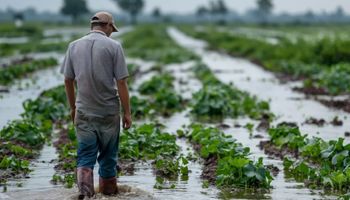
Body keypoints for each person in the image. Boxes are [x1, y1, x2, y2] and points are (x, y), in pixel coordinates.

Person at [60, 11, 132, 199]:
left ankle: (85, 196)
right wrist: (127, 113)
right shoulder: (114, 46)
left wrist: (73, 108)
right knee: (108, 158)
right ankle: (108, 195)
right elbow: (121, 82)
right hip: (108, 113)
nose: (111, 33)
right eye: (111, 29)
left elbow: (68, 80)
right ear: (107, 26)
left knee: (85, 157)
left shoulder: (73, 46)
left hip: (83, 111)